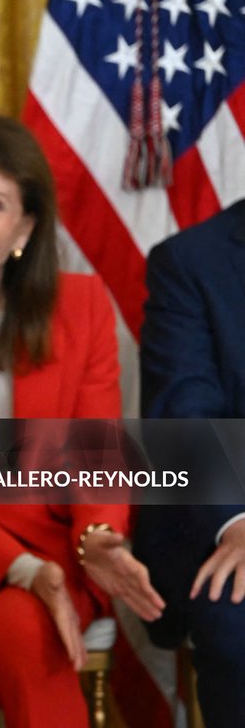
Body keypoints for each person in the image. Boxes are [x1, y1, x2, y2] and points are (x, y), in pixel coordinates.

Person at [0, 113, 164, 728]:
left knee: (27, 631)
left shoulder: (83, 306)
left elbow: (97, 453)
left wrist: (98, 536)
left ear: (25, 226)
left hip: (49, 542)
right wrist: (16, 566)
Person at [135, 199, 245, 728]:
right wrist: (237, 522)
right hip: (224, 522)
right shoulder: (191, 262)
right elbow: (184, 419)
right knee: (239, 631)